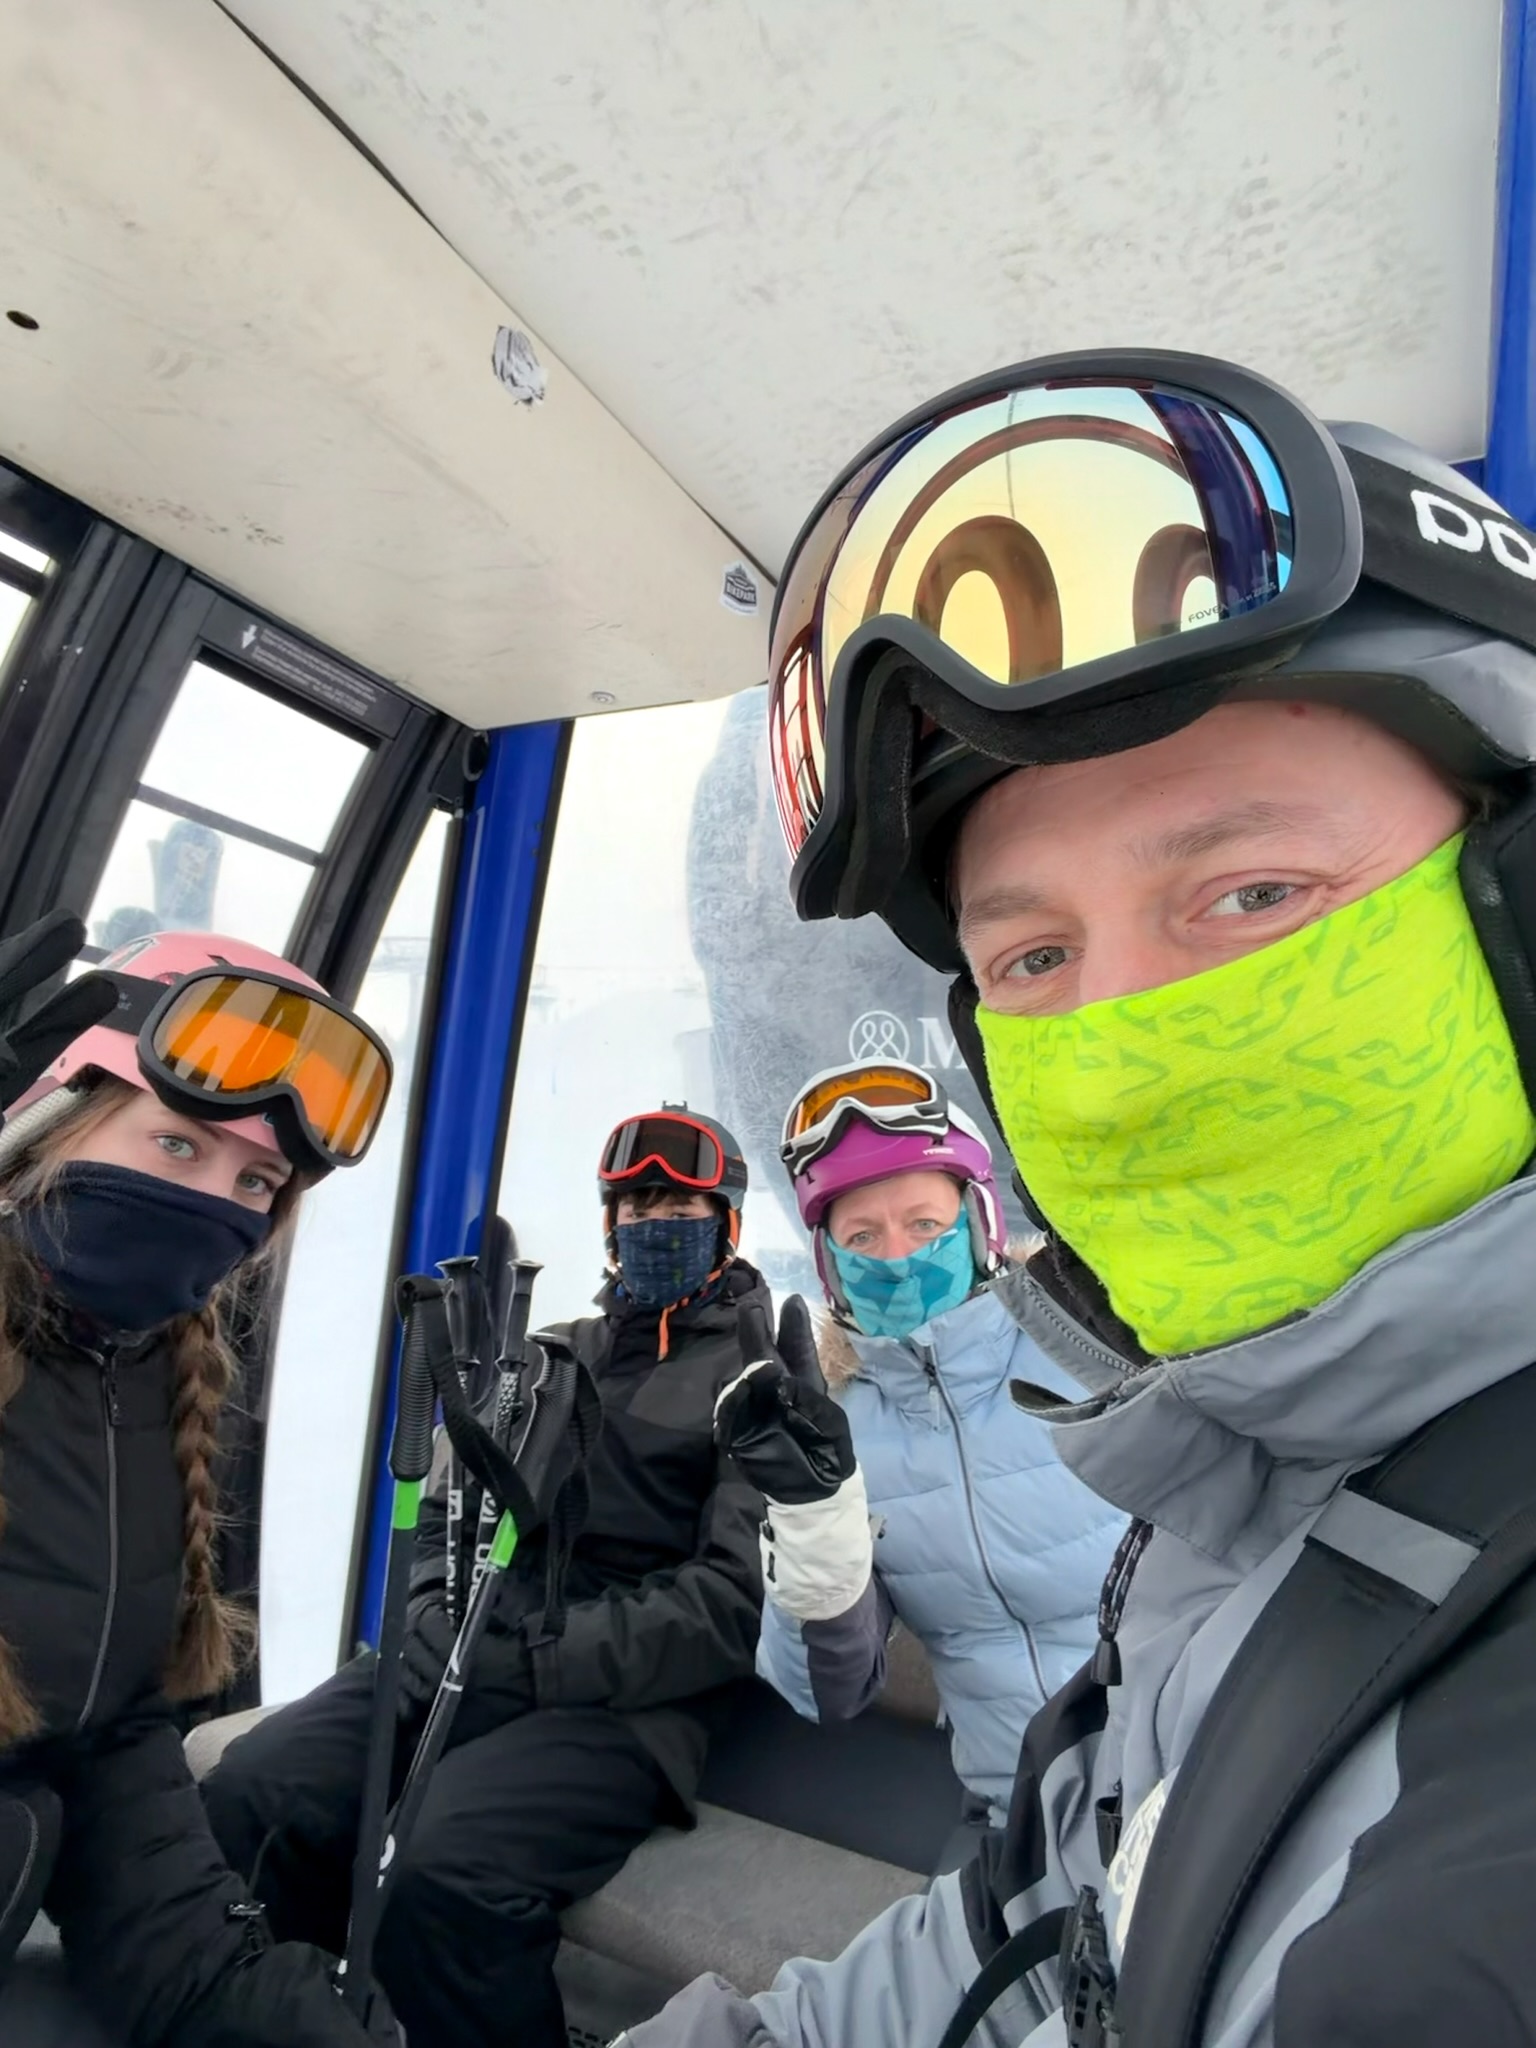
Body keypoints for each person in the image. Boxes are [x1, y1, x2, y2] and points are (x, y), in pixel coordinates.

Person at [622, 354, 1536, 2048]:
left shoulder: (1119, 1422)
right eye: (1033, 955)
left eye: (1251, 889)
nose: (1114, 1052)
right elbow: (1033, 1915)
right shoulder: (1219, 1458)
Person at [202, 1105, 769, 2048]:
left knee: (441, 1872)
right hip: (470, 1645)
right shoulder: (550, 1354)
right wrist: (430, 1611)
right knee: (257, 1791)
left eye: (680, 1204)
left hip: (623, 1706)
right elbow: (446, 1505)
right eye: (634, 1206)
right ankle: (293, 2024)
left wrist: (543, 1661)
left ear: (728, 1223)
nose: (653, 1222)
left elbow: (732, 1605)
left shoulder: (757, 1383)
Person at [0, 922, 396, 2045]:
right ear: (51, 1113)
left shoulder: (153, 1388)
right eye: (179, 1145)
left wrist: (249, 2000)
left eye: (257, 1178)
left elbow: (117, 1751)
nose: (220, 1197)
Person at [720, 1062, 1122, 1825]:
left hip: (1204, 1780)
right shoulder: (840, 1427)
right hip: (1019, 1816)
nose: (896, 1256)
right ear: (830, 1266)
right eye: (861, 1237)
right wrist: (811, 1516)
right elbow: (822, 1691)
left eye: (925, 1225)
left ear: (979, 1227)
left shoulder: (1089, 1343)